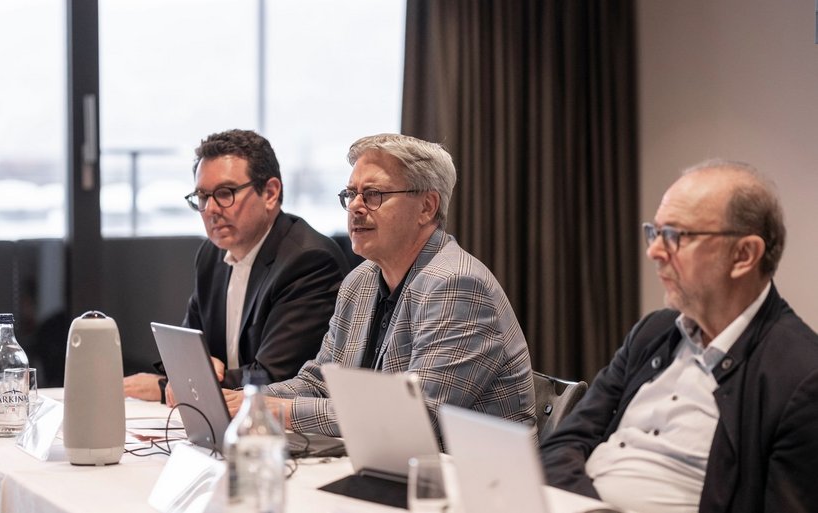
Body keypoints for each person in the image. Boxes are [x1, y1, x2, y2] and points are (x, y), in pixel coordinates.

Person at [539, 159, 818, 513]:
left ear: (744, 255)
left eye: (675, 236)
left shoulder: (801, 378)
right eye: (654, 232)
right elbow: (563, 442)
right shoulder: (654, 331)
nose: (653, 251)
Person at [221, 133, 536, 437]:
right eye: (351, 194)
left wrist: (278, 411)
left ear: (426, 207)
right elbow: (320, 381)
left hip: (472, 478)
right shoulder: (360, 282)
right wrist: (245, 399)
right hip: (389, 463)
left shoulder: (456, 285)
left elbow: (417, 417)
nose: (356, 207)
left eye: (373, 195)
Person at [124, 129, 349, 402]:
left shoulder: (308, 261)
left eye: (225, 193)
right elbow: (187, 349)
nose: (211, 209)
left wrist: (170, 386)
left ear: (269, 192)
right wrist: (193, 368)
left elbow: (275, 377)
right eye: (203, 196)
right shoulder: (211, 254)